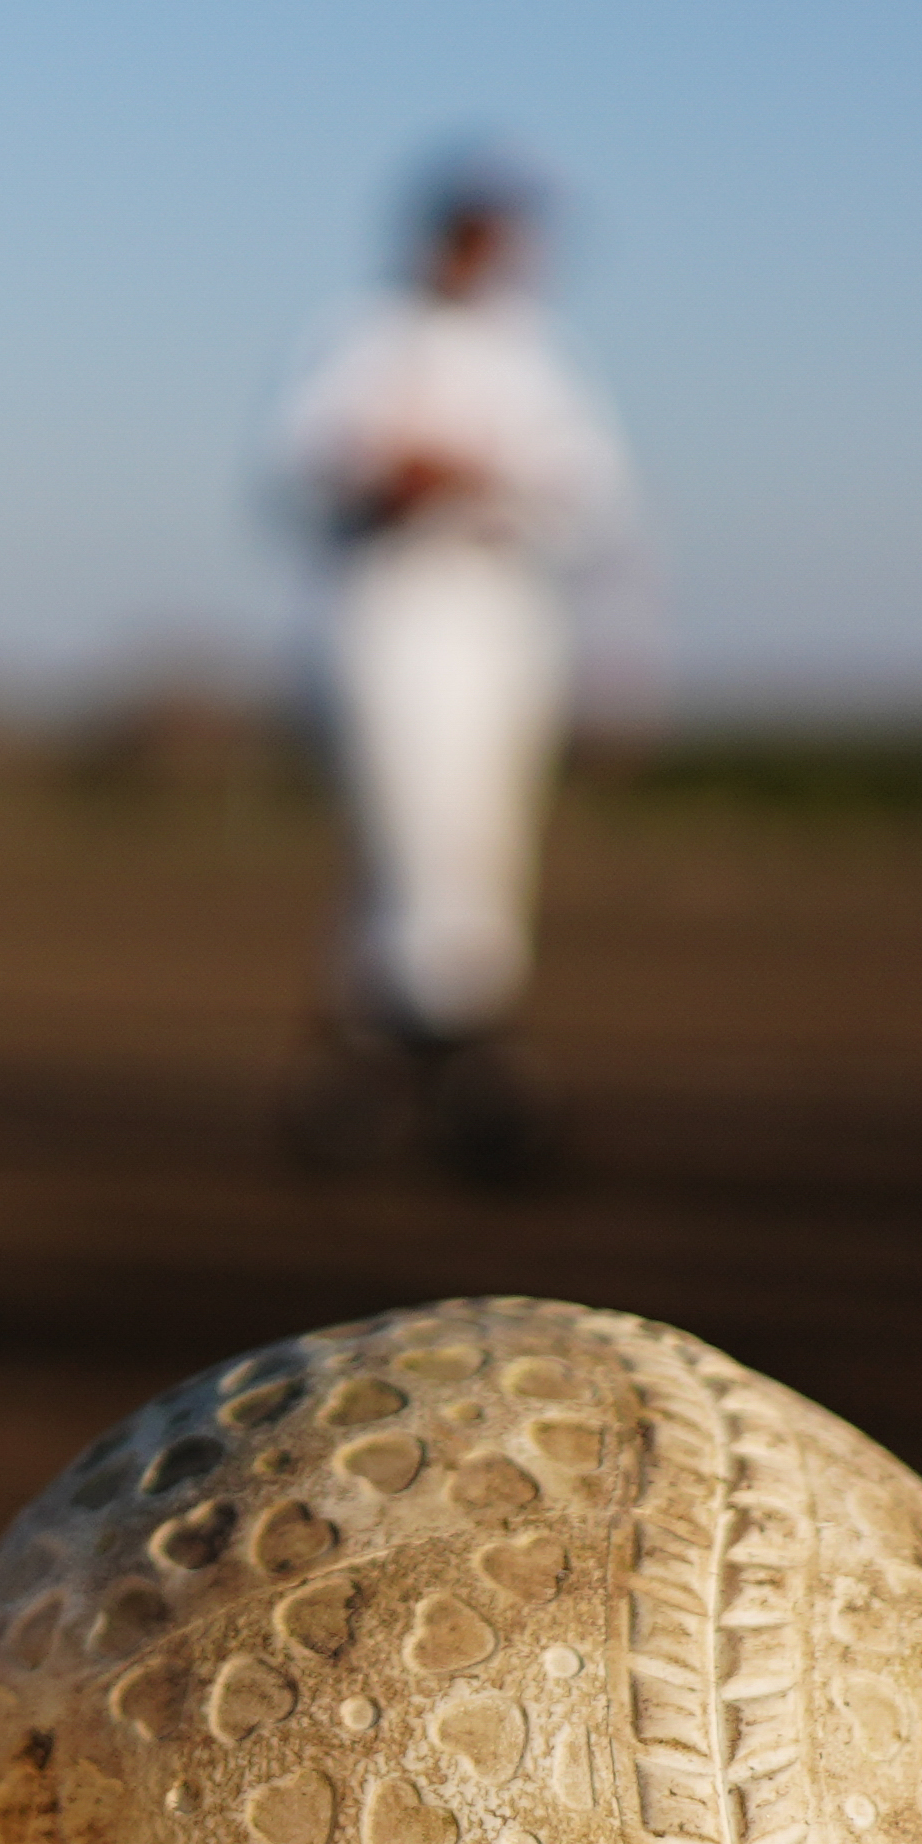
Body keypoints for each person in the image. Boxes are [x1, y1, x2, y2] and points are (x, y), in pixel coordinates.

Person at [272, 155, 628, 1179]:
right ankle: (436, 1055)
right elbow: (308, 461)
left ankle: (412, 1055)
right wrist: (397, 471)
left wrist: (484, 475)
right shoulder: (359, 339)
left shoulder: (538, 356)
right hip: (395, 611)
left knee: (482, 834)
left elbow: (590, 494)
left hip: (500, 611)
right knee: (410, 828)